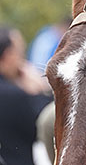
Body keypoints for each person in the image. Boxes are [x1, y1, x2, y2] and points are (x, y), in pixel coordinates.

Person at [0, 26, 53, 165]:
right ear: (7, 56)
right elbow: (47, 124)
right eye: (20, 52)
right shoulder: (14, 96)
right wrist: (39, 92)